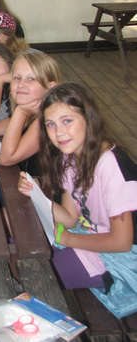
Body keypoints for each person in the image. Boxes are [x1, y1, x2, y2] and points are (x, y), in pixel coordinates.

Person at [18, 82, 137, 318]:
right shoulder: (70, 157)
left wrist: (69, 239)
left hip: (124, 259)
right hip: (89, 236)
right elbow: (71, 217)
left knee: (37, 274)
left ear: (88, 119)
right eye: (50, 124)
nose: (59, 132)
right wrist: (37, 194)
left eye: (67, 121)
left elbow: (122, 242)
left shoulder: (112, 166)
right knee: (22, 247)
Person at [0, 52, 61, 175]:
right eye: (17, 78)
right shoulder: (33, 110)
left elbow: (6, 159)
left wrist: (20, 112)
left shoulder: (47, 120)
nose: (21, 84)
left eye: (31, 79)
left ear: (51, 87)